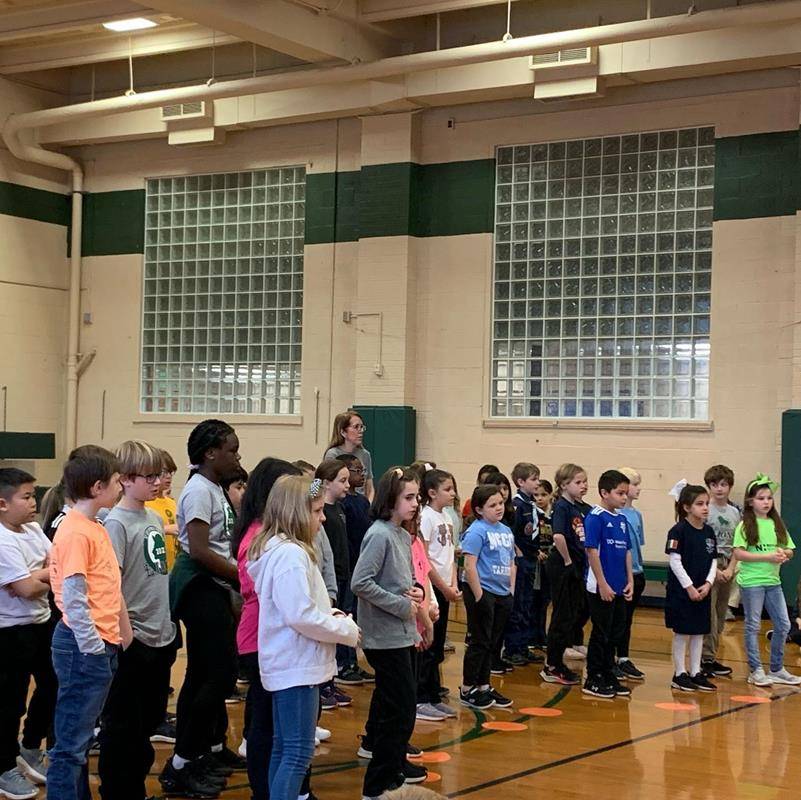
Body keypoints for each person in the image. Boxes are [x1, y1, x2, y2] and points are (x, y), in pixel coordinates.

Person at [249, 474, 360, 800]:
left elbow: (301, 608)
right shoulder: (291, 555)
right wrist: (346, 631)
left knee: (285, 749)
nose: (322, 518)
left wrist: (332, 616)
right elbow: (300, 616)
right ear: (294, 513)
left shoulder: (284, 551)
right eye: (315, 511)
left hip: (290, 664)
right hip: (296, 667)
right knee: (296, 753)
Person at [160, 420, 245, 798]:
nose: (237, 456)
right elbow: (199, 550)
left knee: (209, 675)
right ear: (210, 453)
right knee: (212, 676)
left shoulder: (213, 489)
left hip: (215, 585)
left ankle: (204, 751)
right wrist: (242, 578)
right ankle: (181, 761)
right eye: (232, 449)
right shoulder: (198, 491)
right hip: (198, 587)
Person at [47, 446, 132, 800]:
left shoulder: (92, 526)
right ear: (98, 487)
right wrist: (94, 647)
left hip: (97, 644)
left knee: (79, 740)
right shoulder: (77, 531)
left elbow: (105, 585)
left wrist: (119, 634)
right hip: (84, 647)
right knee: (70, 745)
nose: (121, 486)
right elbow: (74, 595)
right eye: (116, 481)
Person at [98, 441, 177, 800]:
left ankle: (136, 787)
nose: (158, 482)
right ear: (126, 480)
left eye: (159, 474)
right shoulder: (115, 523)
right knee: (123, 728)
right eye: (150, 476)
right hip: (134, 640)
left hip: (161, 634)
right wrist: (128, 637)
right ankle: (120, 791)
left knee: (146, 724)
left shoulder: (153, 517)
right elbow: (111, 586)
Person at [351, 467, 427, 800]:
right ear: (390, 499)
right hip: (384, 636)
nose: (415, 503)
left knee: (394, 705)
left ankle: (393, 764)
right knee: (400, 707)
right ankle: (376, 784)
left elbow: (402, 579)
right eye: (408, 497)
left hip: (402, 631)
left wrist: (416, 592)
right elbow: (361, 582)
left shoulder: (400, 533)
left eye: (417, 497)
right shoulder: (379, 533)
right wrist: (399, 604)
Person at [0, 468, 57, 800]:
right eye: (26, 496)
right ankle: (4, 766)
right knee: (9, 704)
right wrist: (42, 576)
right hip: (9, 633)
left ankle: (30, 745)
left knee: (53, 684)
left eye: (34, 495)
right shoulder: (2, 539)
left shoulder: (34, 529)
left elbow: (57, 567)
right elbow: (25, 588)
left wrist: (39, 575)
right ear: (3, 504)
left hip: (41, 624)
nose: (34, 502)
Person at [732, 473, 801, 687]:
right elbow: (739, 553)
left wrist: (784, 555)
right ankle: (755, 670)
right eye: (761, 498)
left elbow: (790, 548)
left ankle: (777, 668)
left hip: (773, 582)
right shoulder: (745, 526)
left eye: (769, 498)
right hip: (752, 582)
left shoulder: (775, 524)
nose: (766, 502)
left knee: (783, 624)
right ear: (751, 501)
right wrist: (767, 557)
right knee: (752, 626)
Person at [459, 484, 516, 710]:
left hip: (502, 592)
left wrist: (510, 591)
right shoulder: (476, 531)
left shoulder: (506, 531)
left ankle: (483, 685)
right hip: (482, 591)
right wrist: (480, 596)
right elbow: (470, 566)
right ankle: (467, 688)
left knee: (492, 643)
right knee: (479, 641)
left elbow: (511, 562)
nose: (499, 508)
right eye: (492, 505)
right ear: (479, 509)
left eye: (501, 503)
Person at [582, 470, 634, 699]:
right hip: (601, 586)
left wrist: (630, 579)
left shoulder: (621, 519)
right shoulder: (595, 517)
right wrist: (602, 583)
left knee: (615, 632)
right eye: (619, 493)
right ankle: (593, 678)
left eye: (626, 493)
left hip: (620, 585)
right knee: (601, 633)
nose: (624, 497)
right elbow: (591, 551)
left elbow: (627, 551)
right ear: (604, 492)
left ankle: (608, 672)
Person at [665, 482, 718, 693]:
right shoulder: (678, 531)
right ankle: (679, 674)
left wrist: (708, 584)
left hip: (703, 590)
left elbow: (713, 560)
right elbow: (675, 561)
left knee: (698, 632)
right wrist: (689, 587)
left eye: (707, 504)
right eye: (699, 504)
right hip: (682, 592)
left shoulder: (709, 531)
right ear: (687, 507)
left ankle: (696, 672)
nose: (705, 508)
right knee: (682, 632)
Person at [416, 469, 459, 720]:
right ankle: (421, 698)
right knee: (429, 645)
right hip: (432, 589)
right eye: (447, 489)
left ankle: (433, 694)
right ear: (432, 492)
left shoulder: (448, 517)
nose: (453, 493)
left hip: (445, 588)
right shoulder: (427, 517)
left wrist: (453, 583)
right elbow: (425, 560)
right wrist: (442, 587)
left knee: (439, 645)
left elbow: (450, 556)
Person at [541, 464, 589, 685]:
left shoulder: (579, 507)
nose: (583, 486)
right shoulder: (561, 507)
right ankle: (551, 665)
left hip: (576, 566)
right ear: (563, 485)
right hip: (562, 565)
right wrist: (568, 561)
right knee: (561, 616)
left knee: (571, 615)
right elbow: (559, 537)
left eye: (584, 481)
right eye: (578, 482)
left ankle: (558, 660)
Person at [315, 459, 359, 690]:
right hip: (329, 579)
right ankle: (329, 679)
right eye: (342, 481)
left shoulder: (340, 508)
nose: (347, 485)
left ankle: (339, 671)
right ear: (325, 483)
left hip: (343, 574)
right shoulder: (321, 511)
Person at [700, 464, 740, 678]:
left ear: (730, 486)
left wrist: (732, 567)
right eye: (714, 485)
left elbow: (738, 544)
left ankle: (712, 656)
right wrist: (713, 568)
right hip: (709, 564)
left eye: (723, 484)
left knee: (721, 612)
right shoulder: (706, 509)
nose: (719, 489)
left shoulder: (734, 512)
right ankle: (705, 657)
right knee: (710, 614)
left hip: (728, 564)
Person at [504, 462, 542, 666]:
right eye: (533, 479)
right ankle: (512, 648)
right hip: (521, 560)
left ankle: (523, 645)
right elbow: (512, 533)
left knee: (527, 603)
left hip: (531, 557)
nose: (537, 483)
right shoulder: (517, 505)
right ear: (520, 482)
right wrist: (518, 555)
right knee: (518, 603)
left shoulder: (531, 504)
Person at [614, 467, 647, 681]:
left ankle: (624, 658)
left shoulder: (636, 515)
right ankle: (613, 658)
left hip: (637, 571)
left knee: (627, 620)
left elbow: (638, 544)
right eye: (634, 484)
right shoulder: (615, 515)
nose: (638, 489)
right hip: (621, 574)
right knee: (618, 619)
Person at [324, 410, 374, 500]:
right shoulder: (332, 454)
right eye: (356, 427)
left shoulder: (365, 454)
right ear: (343, 432)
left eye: (362, 427)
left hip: (360, 502)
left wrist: (368, 505)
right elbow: (321, 482)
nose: (360, 431)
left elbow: (370, 488)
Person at [530, 479, 553, 653]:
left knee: (545, 600)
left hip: (550, 563)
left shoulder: (553, 516)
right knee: (533, 599)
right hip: (535, 562)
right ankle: (531, 635)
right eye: (536, 495)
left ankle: (541, 635)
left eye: (543, 494)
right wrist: (536, 551)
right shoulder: (532, 514)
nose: (539, 498)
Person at [145, 449, 179, 570]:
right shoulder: (146, 504)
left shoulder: (171, 502)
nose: (168, 476)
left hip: (173, 565)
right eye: (164, 472)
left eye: (170, 472)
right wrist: (167, 529)